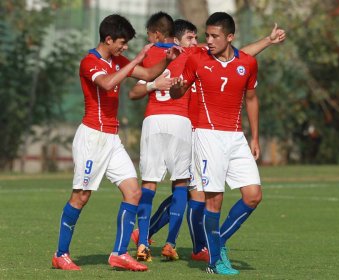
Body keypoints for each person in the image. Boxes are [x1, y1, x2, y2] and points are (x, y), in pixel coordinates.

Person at [130, 16, 286, 264]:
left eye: (199, 37)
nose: (199, 41)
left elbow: (238, 57)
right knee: (194, 193)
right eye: (191, 38)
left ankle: (150, 233)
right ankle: (198, 246)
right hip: (194, 132)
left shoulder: (204, 54)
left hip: (203, 132)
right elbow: (138, 88)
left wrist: (267, 40)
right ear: (176, 39)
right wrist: (159, 85)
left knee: (190, 192)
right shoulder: (180, 57)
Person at [51, 14, 180, 271]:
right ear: (108, 39)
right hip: (92, 138)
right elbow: (109, 83)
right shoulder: (90, 62)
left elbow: (146, 72)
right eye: (121, 43)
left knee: (133, 192)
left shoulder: (118, 60)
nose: (124, 47)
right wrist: (135, 60)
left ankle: (119, 253)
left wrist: (165, 60)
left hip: (111, 139)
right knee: (81, 197)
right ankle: (61, 254)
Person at [169, 12, 264, 275]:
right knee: (215, 201)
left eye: (214, 36)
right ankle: (214, 261)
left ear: (230, 37)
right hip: (207, 135)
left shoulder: (247, 63)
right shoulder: (197, 59)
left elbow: (252, 99)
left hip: (236, 137)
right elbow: (180, 90)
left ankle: (217, 242)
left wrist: (254, 137)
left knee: (253, 195)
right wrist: (176, 88)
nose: (208, 40)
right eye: (207, 35)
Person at [127, 12, 192, 262]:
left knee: (149, 183)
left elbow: (134, 92)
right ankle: (170, 244)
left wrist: (153, 84)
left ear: (155, 34)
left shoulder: (150, 54)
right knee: (181, 184)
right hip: (180, 121)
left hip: (153, 120)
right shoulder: (189, 54)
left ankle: (143, 243)